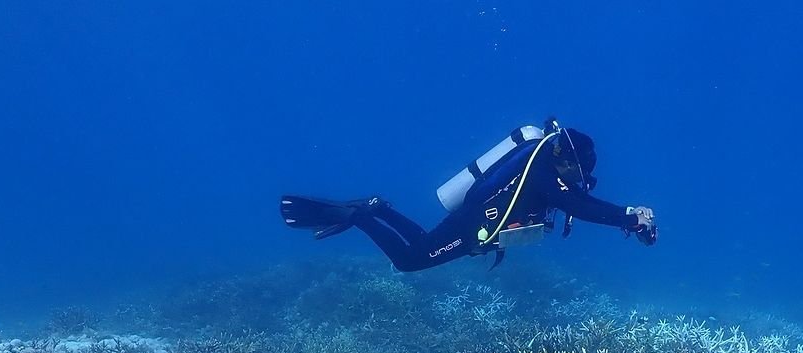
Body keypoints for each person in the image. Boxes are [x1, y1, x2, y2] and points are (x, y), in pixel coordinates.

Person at [280, 119, 657, 272]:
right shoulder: (543, 173)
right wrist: (628, 219)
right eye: (580, 169)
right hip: (474, 224)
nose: (581, 178)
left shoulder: (546, 169)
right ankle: (361, 217)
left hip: (474, 218)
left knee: (423, 243)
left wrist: (627, 211)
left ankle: (381, 209)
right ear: (566, 158)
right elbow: (579, 206)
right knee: (409, 262)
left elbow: (581, 199)